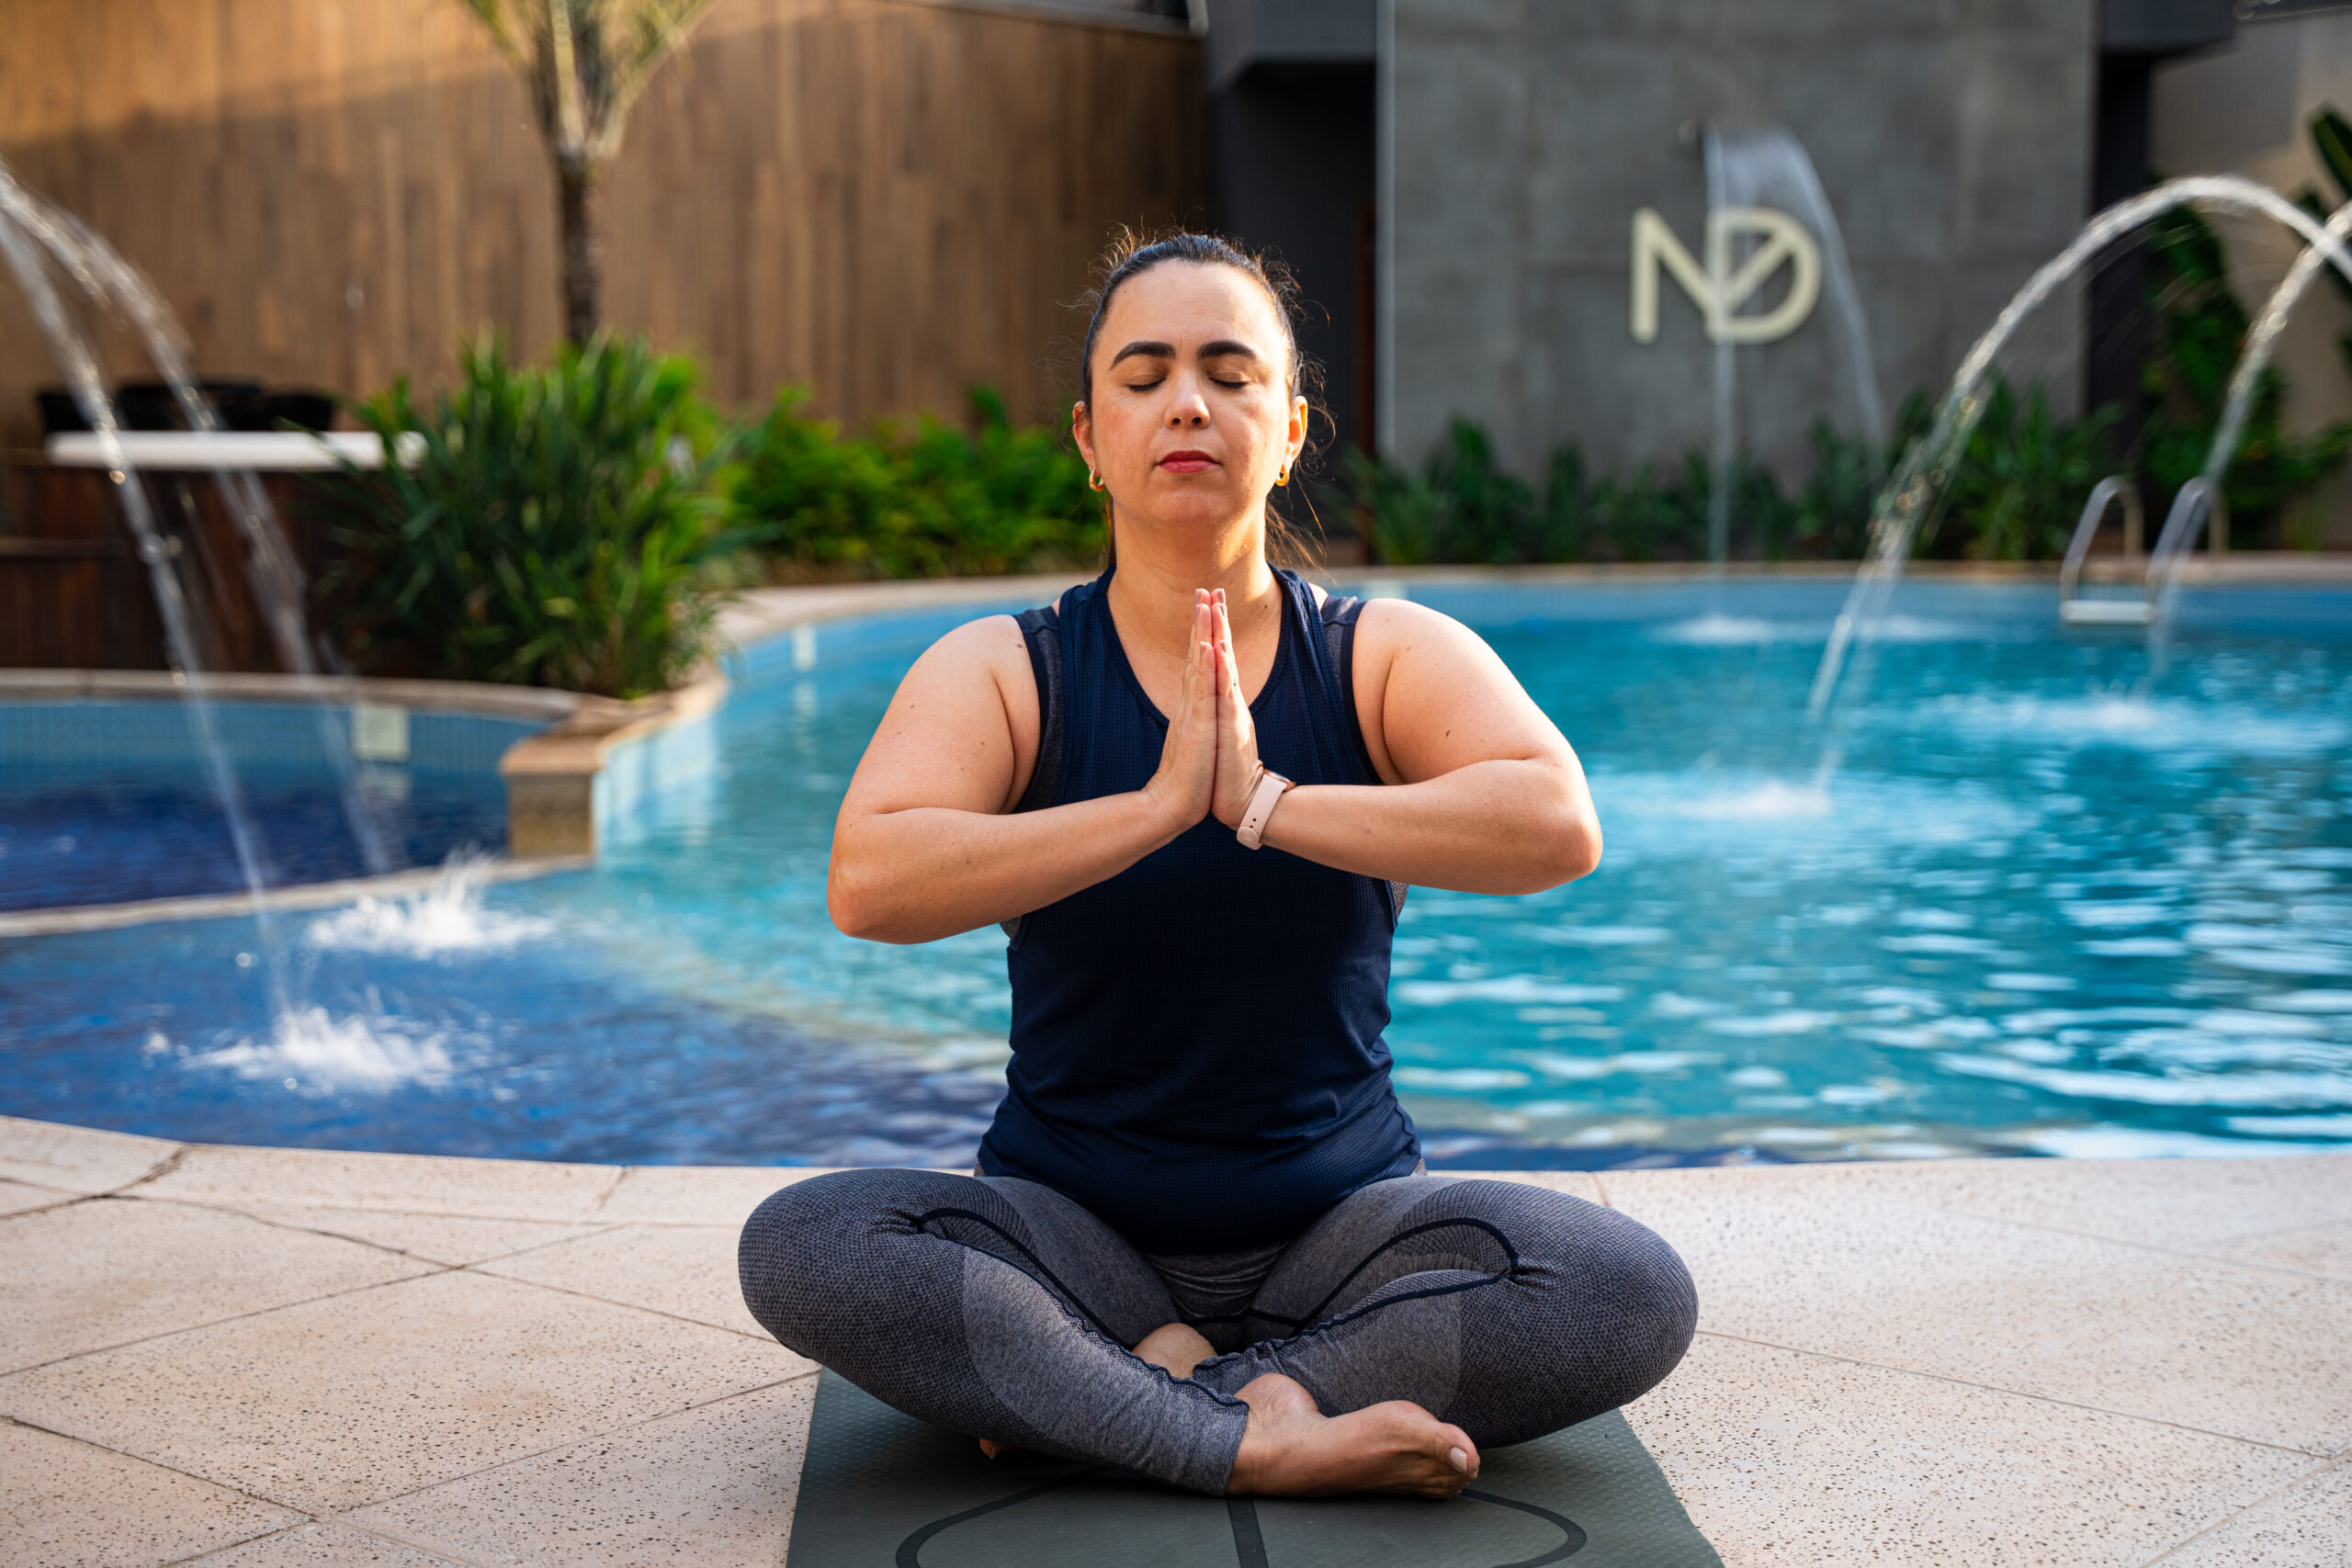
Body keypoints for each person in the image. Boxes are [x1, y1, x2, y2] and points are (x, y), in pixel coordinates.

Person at [739, 231, 1695, 1500]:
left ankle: (1168, 1389)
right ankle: (1253, 1427)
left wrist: (1264, 802)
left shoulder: (1376, 653)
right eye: (1145, 375)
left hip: (1339, 1233)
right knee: (810, 1243)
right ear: (1090, 437)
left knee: (1625, 1288)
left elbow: (1553, 824)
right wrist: (1152, 808)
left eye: (1230, 373)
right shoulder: (1010, 669)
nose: (1187, 402)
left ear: (1290, 428)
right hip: (1071, 1236)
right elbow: (869, 881)